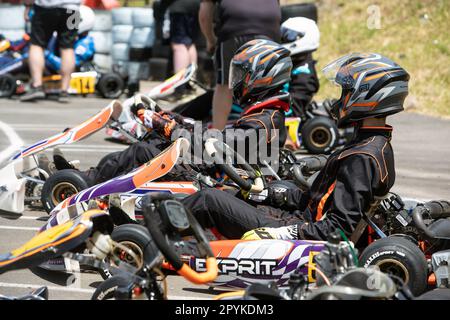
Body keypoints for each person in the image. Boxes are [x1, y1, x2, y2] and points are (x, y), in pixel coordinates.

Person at [181, 53, 410, 242]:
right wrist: (267, 193)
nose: (340, 100)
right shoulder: (372, 145)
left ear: (367, 95)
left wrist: (281, 233)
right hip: (298, 218)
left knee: (209, 200)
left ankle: (150, 240)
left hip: (299, 230)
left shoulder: (363, 157)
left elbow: (337, 229)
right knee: (227, 192)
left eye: (346, 92)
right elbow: (314, 199)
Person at [54, 39, 292, 186]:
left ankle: (83, 183)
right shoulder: (265, 113)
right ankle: (91, 177)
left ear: (262, 77)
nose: (237, 82)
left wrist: (167, 126)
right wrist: (173, 118)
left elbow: (217, 146)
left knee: (144, 151)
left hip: (225, 181)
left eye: (242, 75)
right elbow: (218, 138)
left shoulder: (264, 121)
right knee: (153, 141)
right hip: (221, 166)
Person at [198, 0, 282, 129]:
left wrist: (210, 40)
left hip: (234, 26)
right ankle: (270, 133)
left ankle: (216, 135)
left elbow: (204, 14)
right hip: (269, 25)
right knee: (269, 87)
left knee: (225, 86)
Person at [21, 0, 81, 102]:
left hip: (46, 7)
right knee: (68, 47)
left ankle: (37, 86)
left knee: (37, 45)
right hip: (73, 9)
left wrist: (27, 6)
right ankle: (64, 91)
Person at [281, 17, 320, 118]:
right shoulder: (294, 63)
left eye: (288, 36)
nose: (283, 39)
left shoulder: (303, 74)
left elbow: (293, 112)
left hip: (286, 123)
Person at [45, 5, 95, 73]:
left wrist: (46, 54)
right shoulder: (69, 38)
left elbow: (69, 66)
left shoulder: (85, 43)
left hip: (74, 76)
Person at [160, 0, 200, 74]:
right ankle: (190, 80)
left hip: (178, 7)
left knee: (179, 46)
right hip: (196, 5)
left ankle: (181, 82)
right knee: (190, 44)